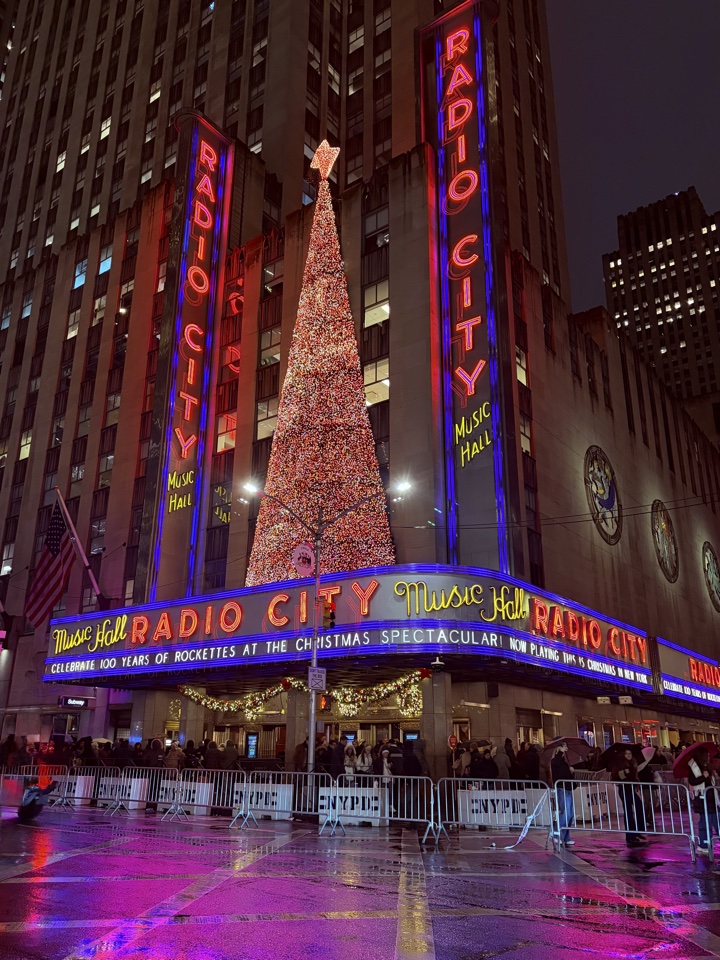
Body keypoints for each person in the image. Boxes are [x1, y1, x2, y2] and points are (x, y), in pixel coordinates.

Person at [611, 748, 646, 847]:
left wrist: (636, 783)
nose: (629, 755)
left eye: (630, 753)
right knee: (628, 812)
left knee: (639, 806)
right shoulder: (619, 764)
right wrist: (625, 772)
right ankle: (630, 836)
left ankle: (638, 830)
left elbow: (634, 776)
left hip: (631, 789)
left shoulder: (633, 763)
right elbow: (617, 777)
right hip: (624, 789)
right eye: (626, 753)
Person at [688, 747, 719, 853]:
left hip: (711, 798)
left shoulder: (707, 766)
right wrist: (704, 777)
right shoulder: (694, 767)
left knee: (716, 820)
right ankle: (703, 844)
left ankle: (705, 844)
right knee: (705, 822)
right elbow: (692, 781)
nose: (709, 756)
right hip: (702, 798)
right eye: (707, 755)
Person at [551, 742, 576, 847]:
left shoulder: (565, 763)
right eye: (564, 746)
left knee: (570, 814)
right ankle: (556, 834)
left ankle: (566, 837)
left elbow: (567, 776)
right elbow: (555, 765)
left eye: (566, 746)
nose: (566, 748)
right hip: (562, 788)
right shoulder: (555, 761)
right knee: (565, 813)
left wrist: (572, 772)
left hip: (568, 788)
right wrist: (559, 753)